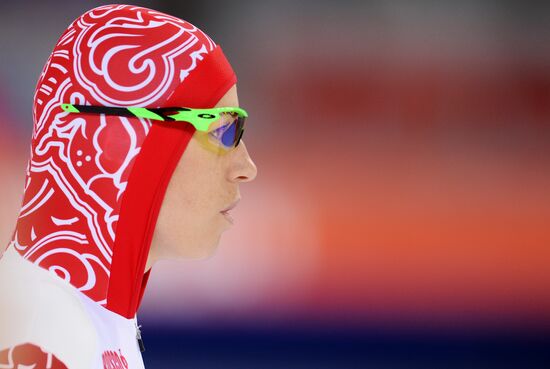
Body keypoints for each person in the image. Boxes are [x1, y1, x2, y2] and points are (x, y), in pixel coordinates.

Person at [0, 4, 257, 368]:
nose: (247, 168)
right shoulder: (41, 333)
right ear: (121, 141)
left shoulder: (85, 324)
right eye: (221, 129)